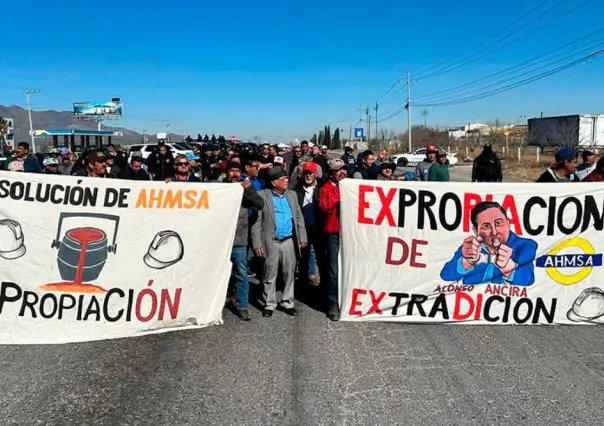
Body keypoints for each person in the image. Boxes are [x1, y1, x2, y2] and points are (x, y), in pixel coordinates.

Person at [251, 167, 308, 317]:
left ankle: (287, 302)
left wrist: (302, 237)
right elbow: (256, 223)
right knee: (270, 273)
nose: (286, 181)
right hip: (271, 241)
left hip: (288, 240)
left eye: (286, 179)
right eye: (282, 180)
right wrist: (257, 243)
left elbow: (298, 217)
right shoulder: (262, 196)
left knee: (289, 273)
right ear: (274, 182)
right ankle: (269, 304)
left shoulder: (292, 195)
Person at [440, 201, 537, 286]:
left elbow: (529, 282)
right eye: (486, 226)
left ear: (508, 222)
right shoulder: (471, 247)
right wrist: (467, 262)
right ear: (476, 231)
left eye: (499, 223)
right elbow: (446, 275)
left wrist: (509, 269)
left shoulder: (526, 246)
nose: (494, 232)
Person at [224, 162, 264, 321]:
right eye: (231, 171)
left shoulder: (245, 189)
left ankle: (242, 306)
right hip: (220, 241)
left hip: (239, 240)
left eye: (237, 171)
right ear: (227, 173)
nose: (234, 174)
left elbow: (260, 204)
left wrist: (249, 190)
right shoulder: (219, 188)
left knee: (241, 274)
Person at [319, 158, 348, 321]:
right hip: (334, 235)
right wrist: (341, 195)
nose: (343, 172)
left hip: (351, 234)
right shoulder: (326, 189)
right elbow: (325, 207)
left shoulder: (352, 186)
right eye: (339, 170)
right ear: (332, 174)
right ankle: (332, 303)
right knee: (334, 270)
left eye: (344, 169)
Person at [294, 162, 323, 285]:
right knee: (303, 255)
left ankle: (322, 283)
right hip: (303, 227)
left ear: (315, 174)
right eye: (306, 173)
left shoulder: (321, 189)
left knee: (320, 255)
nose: (308, 175)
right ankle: (303, 281)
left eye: (310, 173)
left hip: (318, 227)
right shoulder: (296, 190)